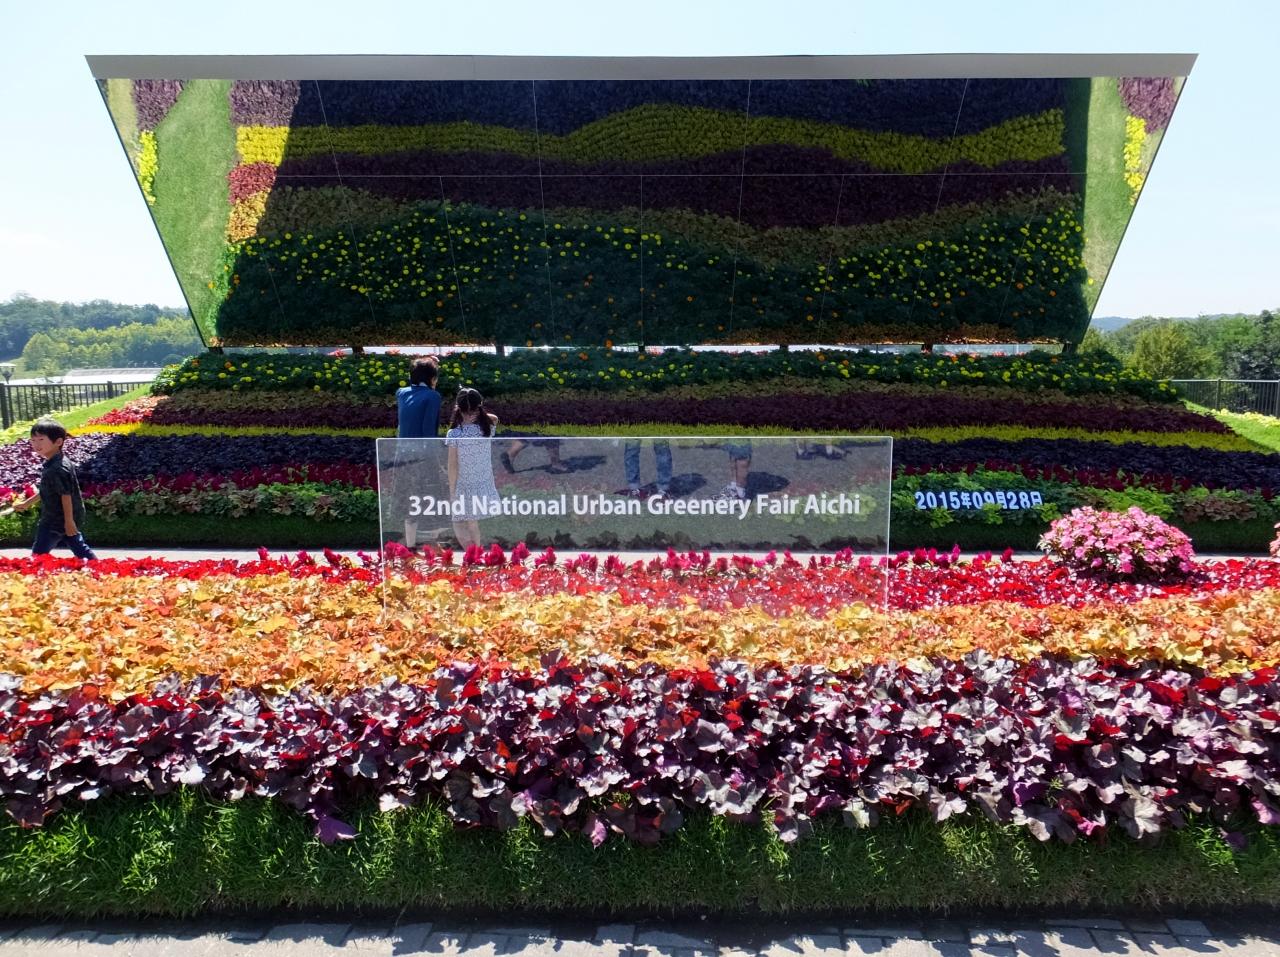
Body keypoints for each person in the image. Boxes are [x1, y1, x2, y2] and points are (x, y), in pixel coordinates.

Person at [12, 417, 97, 559]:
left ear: (58, 442)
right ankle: (96, 566)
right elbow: (48, 490)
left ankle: (34, 569)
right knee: (77, 544)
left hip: (56, 518)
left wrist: (69, 521)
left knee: (39, 553)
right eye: (33, 440)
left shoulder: (58, 468)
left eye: (41, 440)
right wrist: (27, 503)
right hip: (63, 516)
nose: (36, 444)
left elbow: (66, 495)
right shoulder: (56, 462)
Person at [394, 357, 443, 548]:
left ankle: (410, 546)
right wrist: (436, 460)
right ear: (432, 378)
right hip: (422, 456)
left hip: (402, 455)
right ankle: (432, 545)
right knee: (430, 497)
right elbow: (429, 431)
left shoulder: (401, 393)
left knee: (409, 501)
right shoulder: (433, 397)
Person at [445, 388, 501, 549]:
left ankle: (473, 552)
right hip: (483, 481)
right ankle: (475, 551)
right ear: (479, 406)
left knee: (462, 521)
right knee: (471, 520)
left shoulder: (454, 433)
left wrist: (452, 490)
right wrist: (479, 411)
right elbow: (494, 417)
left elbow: (452, 465)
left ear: (458, 407)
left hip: (465, 483)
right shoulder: (487, 426)